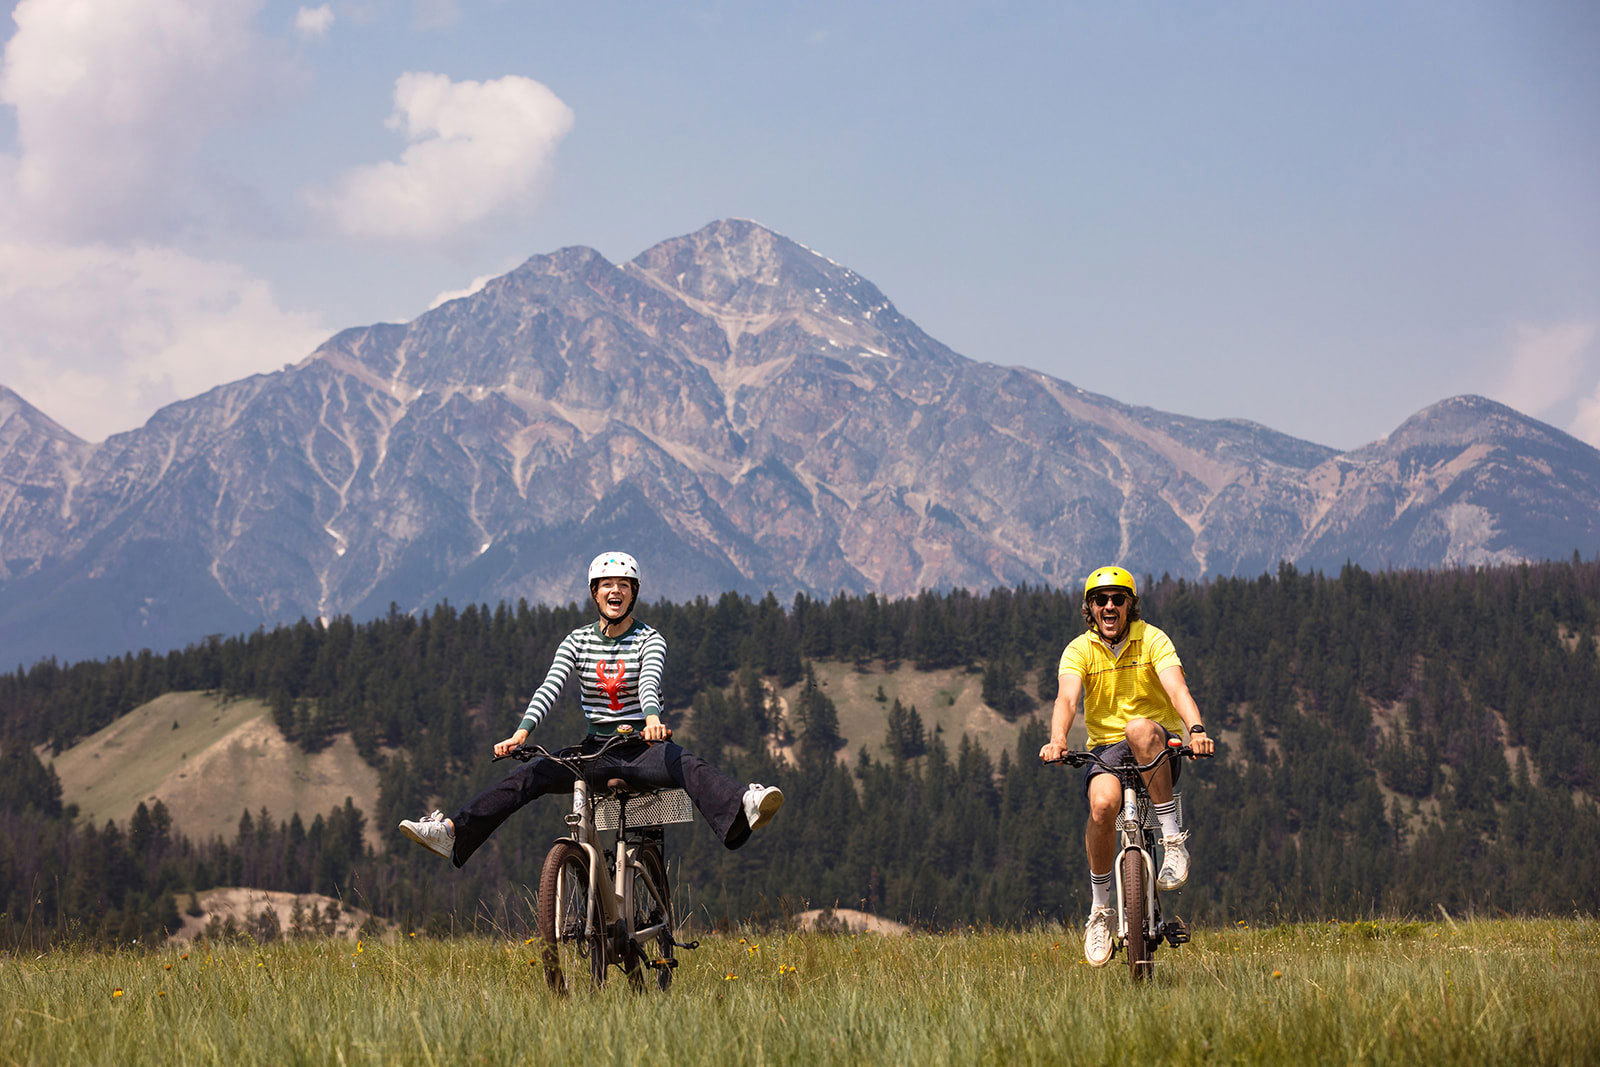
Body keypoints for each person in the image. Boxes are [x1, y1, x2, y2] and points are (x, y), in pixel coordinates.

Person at [400, 551, 784, 866]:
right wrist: (521, 734)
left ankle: (745, 804)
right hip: (594, 752)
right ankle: (452, 833)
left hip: (642, 747)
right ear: (595, 593)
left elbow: (649, 681)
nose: (615, 591)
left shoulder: (650, 639)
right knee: (528, 776)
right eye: (607, 584)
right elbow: (550, 686)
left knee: (685, 764)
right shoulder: (577, 640)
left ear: (633, 593)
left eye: (624, 585)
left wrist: (652, 720)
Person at [1038, 565, 1214, 967]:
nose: (1109, 606)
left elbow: (1177, 689)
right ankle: (1100, 911)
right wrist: (1058, 740)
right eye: (1100, 600)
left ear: (1130, 605)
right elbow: (1066, 699)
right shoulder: (1079, 650)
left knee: (1137, 728)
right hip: (1105, 750)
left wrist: (1197, 730)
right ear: (1089, 608)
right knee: (1102, 807)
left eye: (1118, 599)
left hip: (1154, 743)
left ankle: (1173, 842)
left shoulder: (1152, 638)